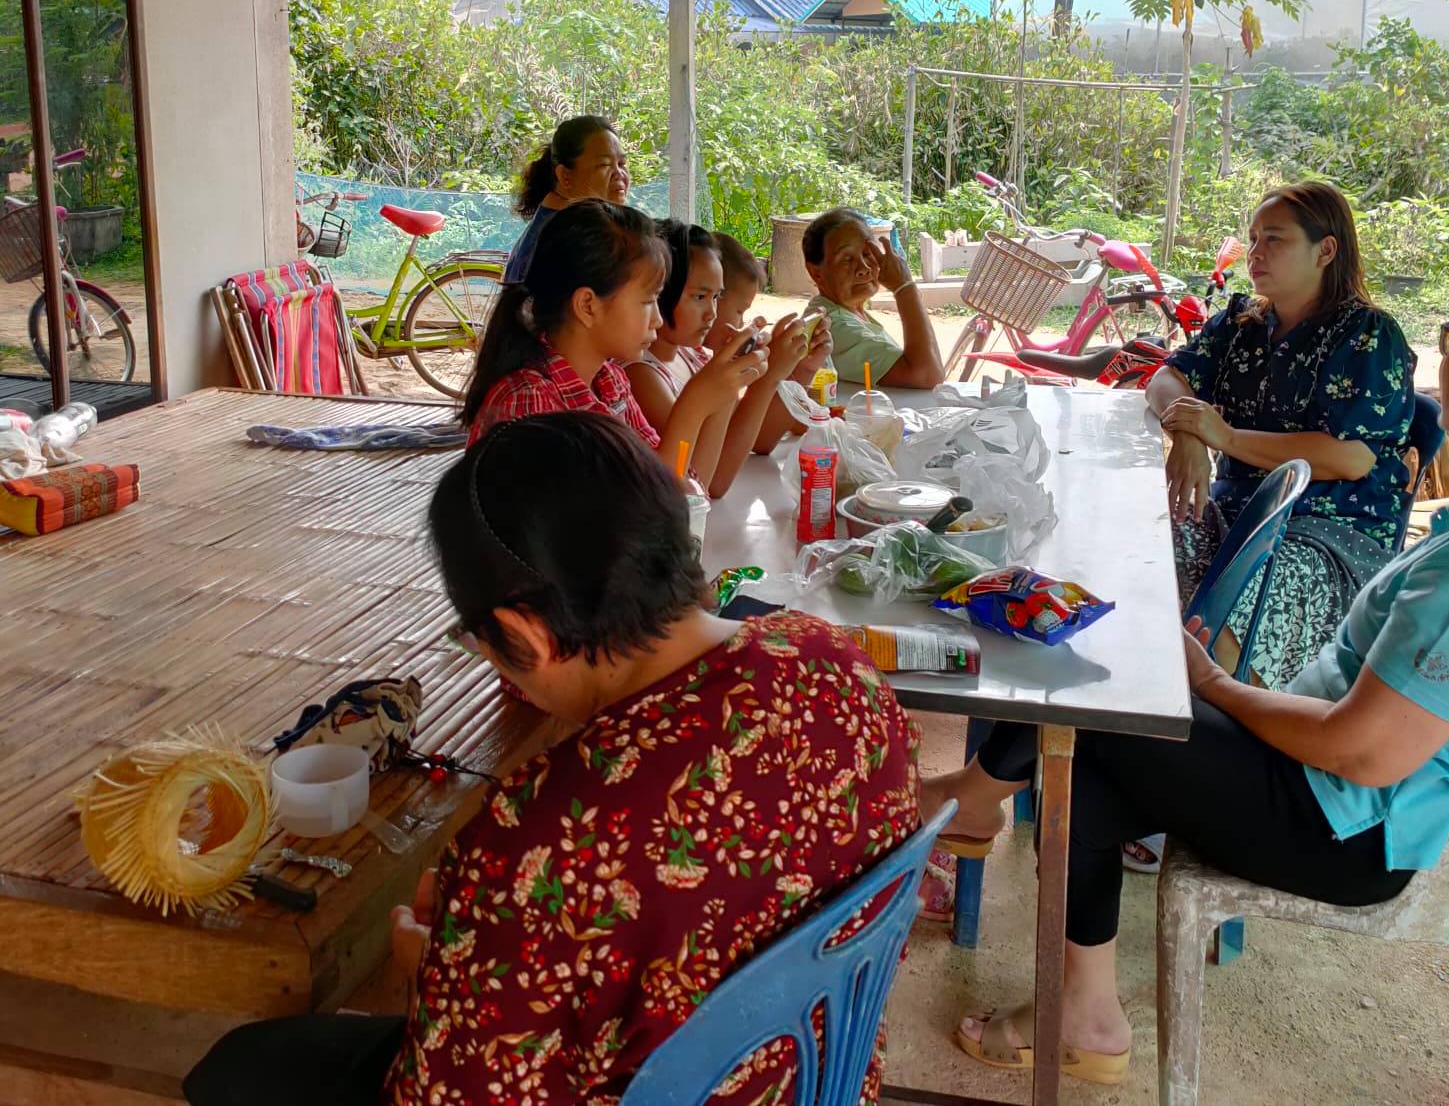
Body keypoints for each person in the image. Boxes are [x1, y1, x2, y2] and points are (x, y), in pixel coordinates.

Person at [922, 258, 1449, 1083]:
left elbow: (1361, 752)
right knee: (1101, 732)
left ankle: (973, 803)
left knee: (1102, 684)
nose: (1444, 354)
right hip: (1382, 791)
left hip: (1351, 827)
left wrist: (1216, 686)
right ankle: (1079, 1000)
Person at [183, 412, 924, 1105]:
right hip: (819, 1071)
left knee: (240, 1066)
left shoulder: (537, 843)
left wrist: (431, 977)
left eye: (477, 639)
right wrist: (485, 939)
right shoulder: (836, 663)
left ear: (528, 634)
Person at [1147, 181, 1417, 691]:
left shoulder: (1366, 334)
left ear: (1325, 250)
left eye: (1275, 239)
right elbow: (1166, 378)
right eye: (1253, 239)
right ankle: (1140, 705)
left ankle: (1230, 721)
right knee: (1141, 551)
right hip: (1236, 511)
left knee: (1236, 605)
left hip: (1329, 531)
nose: (1256, 253)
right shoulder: (1242, 322)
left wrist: (1223, 437)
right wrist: (1189, 431)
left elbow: (1351, 458)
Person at [461, 200, 765, 462]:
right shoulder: (530, 405)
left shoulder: (610, 381)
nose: (658, 320)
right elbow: (653, 500)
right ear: (588, 306)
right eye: (647, 301)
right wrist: (693, 408)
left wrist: (717, 393)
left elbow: (682, 486)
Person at [627, 220, 822, 495]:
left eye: (716, 297)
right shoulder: (641, 375)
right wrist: (759, 378)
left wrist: (787, 370)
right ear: (660, 292)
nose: (712, 313)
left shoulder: (692, 355)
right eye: (699, 297)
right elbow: (712, 482)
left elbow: (758, 440)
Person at [709, 231, 830, 457]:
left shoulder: (699, 360)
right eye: (739, 312)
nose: (742, 324)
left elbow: (760, 440)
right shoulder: (655, 374)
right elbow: (720, 464)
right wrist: (770, 374)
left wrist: (802, 367)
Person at [802, 207, 943, 391]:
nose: (863, 268)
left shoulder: (848, 313)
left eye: (867, 254)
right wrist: (904, 287)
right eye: (847, 259)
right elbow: (927, 375)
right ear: (816, 273)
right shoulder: (832, 327)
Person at [505, 115, 629, 285]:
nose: (619, 174)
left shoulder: (565, 225)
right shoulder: (567, 244)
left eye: (622, 163)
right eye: (604, 164)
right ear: (565, 176)